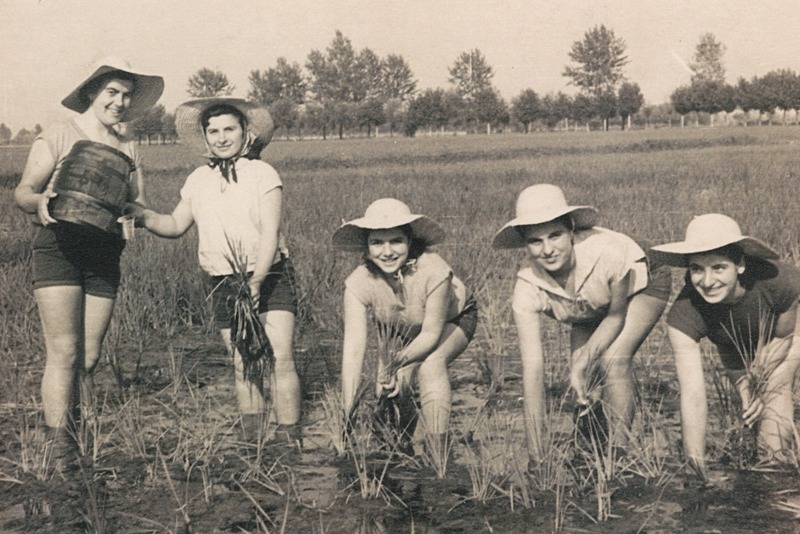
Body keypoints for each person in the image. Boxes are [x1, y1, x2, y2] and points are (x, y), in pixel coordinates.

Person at [13, 57, 164, 471]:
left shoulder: (129, 145)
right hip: (59, 246)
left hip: (105, 254)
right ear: (92, 93)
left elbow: (137, 200)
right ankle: (62, 451)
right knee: (63, 352)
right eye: (112, 92)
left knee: (90, 356)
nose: (120, 101)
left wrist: (135, 214)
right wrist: (39, 201)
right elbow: (24, 192)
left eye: (127, 94)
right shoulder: (61, 133)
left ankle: (75, 433)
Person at [129, 97, 301, 443]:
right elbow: (176, 224)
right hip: (222, 280)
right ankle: (254, 442)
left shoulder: (262, 173)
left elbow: (270, 231)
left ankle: (289, 440)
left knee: (280, 358)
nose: (222, 138)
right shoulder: (197, 180)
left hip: (268, 275)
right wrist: (144, 216)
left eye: (229, 130)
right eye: (214, 131)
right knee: (244, 362)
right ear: (205, 138)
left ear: (245, 133)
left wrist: (256, 281)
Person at [492, 184, 671, 461]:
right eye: (535, 241)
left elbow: (614, 316)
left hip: (642, 279)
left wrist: (582, 360)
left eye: (556, 235)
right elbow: (533, 370)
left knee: (612, 360)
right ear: (525, 244)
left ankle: (618, 456)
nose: (548, 250)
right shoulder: (527, 286)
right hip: (588, 302)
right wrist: (536, 457)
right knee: (584, 381)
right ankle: (591, 447)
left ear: (572, 233)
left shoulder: (607, 253)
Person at [651, 214, 800, 479]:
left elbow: (783, 337)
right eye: (697, 268)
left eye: (718, 267)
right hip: (734, 340)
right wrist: (697, 472)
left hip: (785, 331)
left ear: (739, 265)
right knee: (751, 405)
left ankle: (777, 476)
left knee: (776, 394)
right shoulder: (684, 316)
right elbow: (693, 396)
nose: (707, 282)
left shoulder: (780, 281)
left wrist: (759, 378)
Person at [333, 198, 477, 454]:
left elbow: (431, 335)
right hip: (399, 328)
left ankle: (438, 452)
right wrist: (347, 415)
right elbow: (353, 353)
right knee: (389, 389)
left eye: (396, 241)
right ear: (366, 246)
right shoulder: (357, 283)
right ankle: (405, 445)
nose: (387, 252)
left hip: (450, 320)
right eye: (377, 242)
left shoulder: (434, 270)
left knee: (431, 366)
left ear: (410, 241)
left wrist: (397, 363)